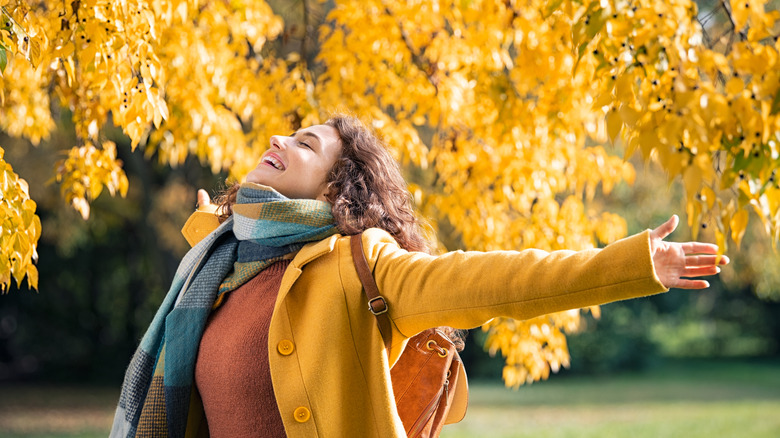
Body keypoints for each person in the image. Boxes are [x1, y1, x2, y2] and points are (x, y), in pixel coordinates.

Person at [111, 116, 728, 438]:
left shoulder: (361, 265)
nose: (280, 139)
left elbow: (495, 282)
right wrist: (206, 226)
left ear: (337, 186)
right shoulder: (221, 262)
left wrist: (625, 265)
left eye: (305, 143)